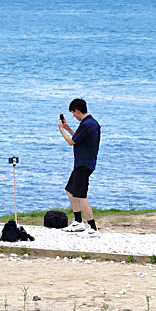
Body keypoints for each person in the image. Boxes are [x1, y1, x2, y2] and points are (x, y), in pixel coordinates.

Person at [58, 98, 100, 237]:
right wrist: (68, 128)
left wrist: (61, 130)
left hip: (84, 164)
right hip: (82, 163)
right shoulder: (90, 123)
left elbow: (71, 142)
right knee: (70, 190)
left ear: (77, 111)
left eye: (73, 113)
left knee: (81, 196)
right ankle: (78, 222)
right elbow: (78, 138)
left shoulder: (87, 124)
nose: (73, 116)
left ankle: (93, 228)